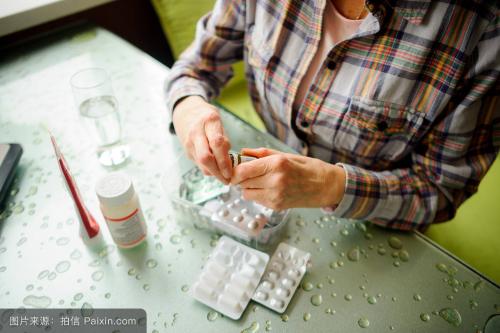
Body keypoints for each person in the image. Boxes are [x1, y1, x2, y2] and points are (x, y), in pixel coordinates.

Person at [165, 0, 500, 230]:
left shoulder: (485, 31)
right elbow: (197, 66)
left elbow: (442, 191)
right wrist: (188, 107)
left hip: (373, 223)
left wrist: (332, 186)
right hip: (263, 204)